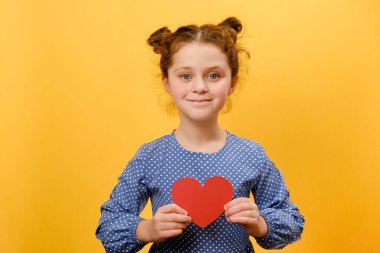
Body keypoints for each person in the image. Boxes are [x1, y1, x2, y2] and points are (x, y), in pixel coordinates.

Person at [96, 17, 305, 253]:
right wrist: (148, 229)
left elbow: (292, 222)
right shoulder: (150, 156)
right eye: (185, 76)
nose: (200, 87)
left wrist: (260, 224)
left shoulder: (251, 154)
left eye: (213, 75)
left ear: (232, 83)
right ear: (167, 82)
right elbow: (109, 226)